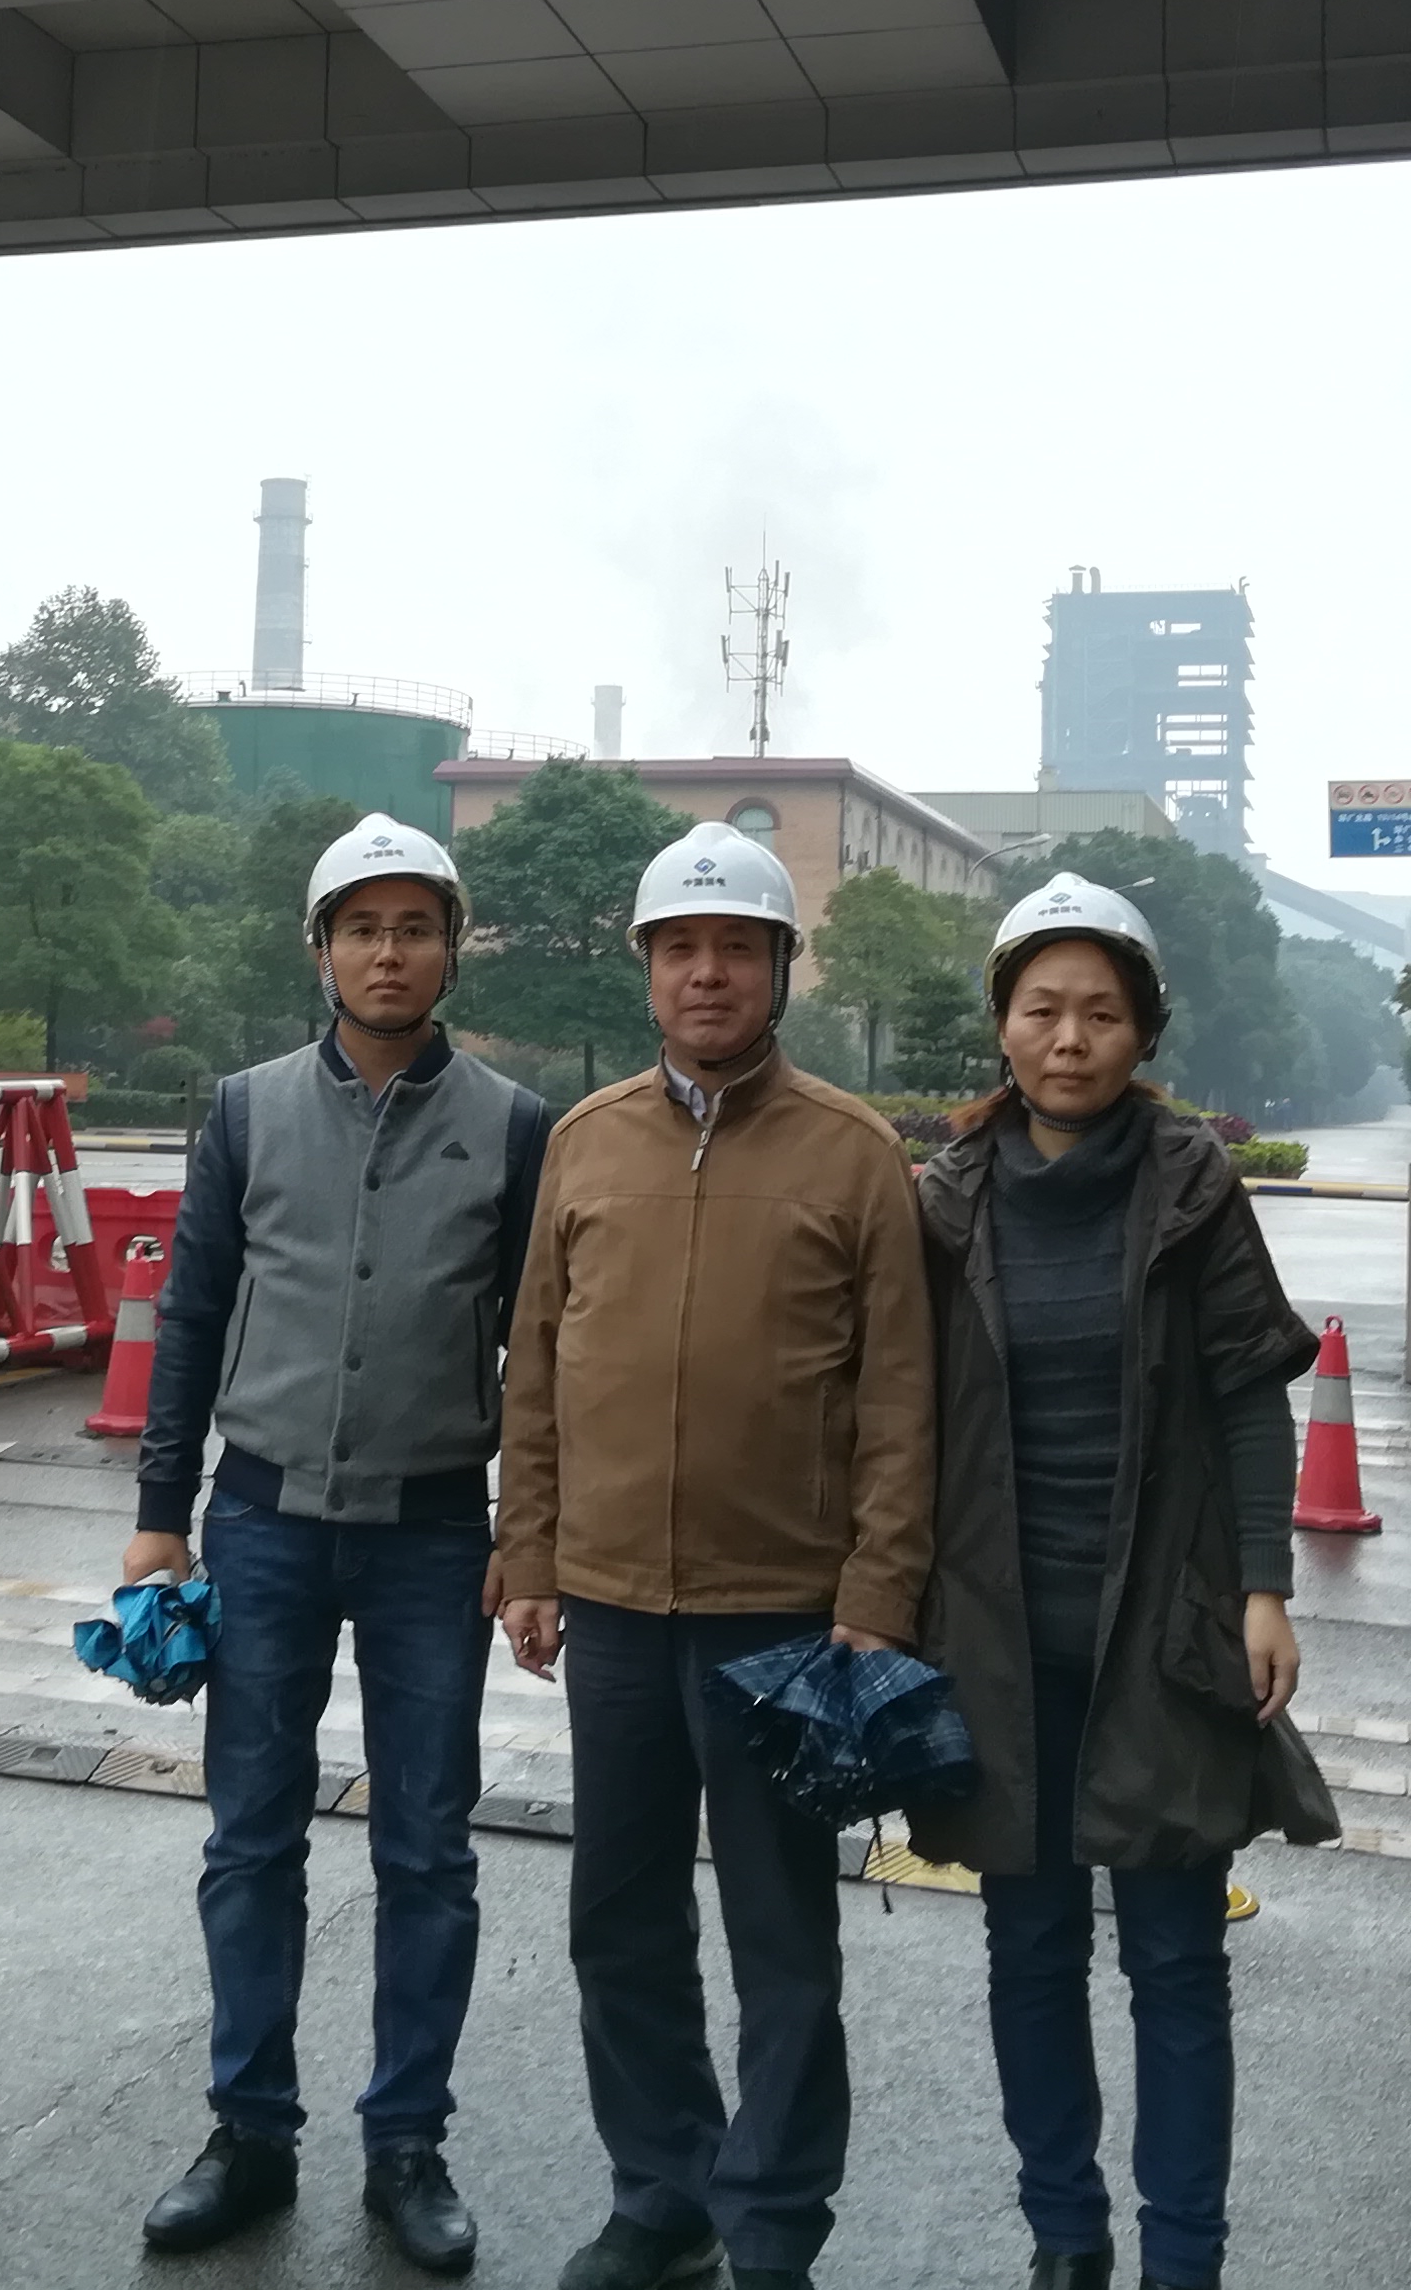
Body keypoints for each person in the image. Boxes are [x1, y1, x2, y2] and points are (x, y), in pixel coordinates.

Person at [494, 822, 934, 2290]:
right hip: (614, 1606)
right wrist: (530, 1554)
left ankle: (774, 2223)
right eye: (679, 948)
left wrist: (877, 1594)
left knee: (782, 1939)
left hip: (784, 1616)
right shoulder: (586, 1142)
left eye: (735, 948)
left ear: (780, 969)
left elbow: (902, 1402)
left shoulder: (854, 1155)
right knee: (619, 1920)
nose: (706, 974)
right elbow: (537, 1369)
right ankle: (662, 2190)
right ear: (646, 969)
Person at [125, 811, 550, 2276]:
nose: (388, 953)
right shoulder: (245, 1111)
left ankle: (406, 2144)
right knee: (252, 1837)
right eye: (361, 928)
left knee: (429, 1844)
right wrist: (158, 1520)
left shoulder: (514, 1126)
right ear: (320, 948)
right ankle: (249, 2131)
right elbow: (190, 1313)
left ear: (450, 948)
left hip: (433, 1532)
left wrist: (529, 1529)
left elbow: (544, 1350)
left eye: (414, 928)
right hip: (262, 1522)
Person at [902, 876, 1327, 2290]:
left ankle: (1182, 2257)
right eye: (1043, 1010)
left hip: (1161, 1625)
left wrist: (1263, 1584)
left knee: (1174, 1960)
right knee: (1027, 1952)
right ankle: (1065, 2238)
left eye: (1100, 1013)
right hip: (998, 1634)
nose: (1070, 1039)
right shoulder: (946, 1200)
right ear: (1003, 1025)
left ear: (1144, 1031)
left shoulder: (1192, 1188)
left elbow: (1252, 1392)